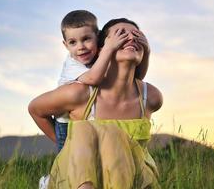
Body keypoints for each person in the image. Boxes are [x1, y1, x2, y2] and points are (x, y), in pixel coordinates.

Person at [29, 18, 163, 188]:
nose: (131, 38)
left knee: (113, 136)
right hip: (81, 178)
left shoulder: (151, 96)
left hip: (136, 178)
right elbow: (35, 109)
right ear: (101, 49)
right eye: (120, 34)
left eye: (137, 35)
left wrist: (147, 51)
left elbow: (135, 77)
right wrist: (66, 145)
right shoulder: (79, 92)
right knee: (86, 130)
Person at [52, 10, 150, 153]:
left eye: (86, 39)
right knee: (66, 160)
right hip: (64, 121)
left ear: (97, 39)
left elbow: (137, 78)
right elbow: (94, 78)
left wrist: (146, 51)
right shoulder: (74, 65)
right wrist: (109, 48)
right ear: (66, 45)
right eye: (73, 42)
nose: (80, 47)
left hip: (84, 122)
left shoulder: (95, 56)